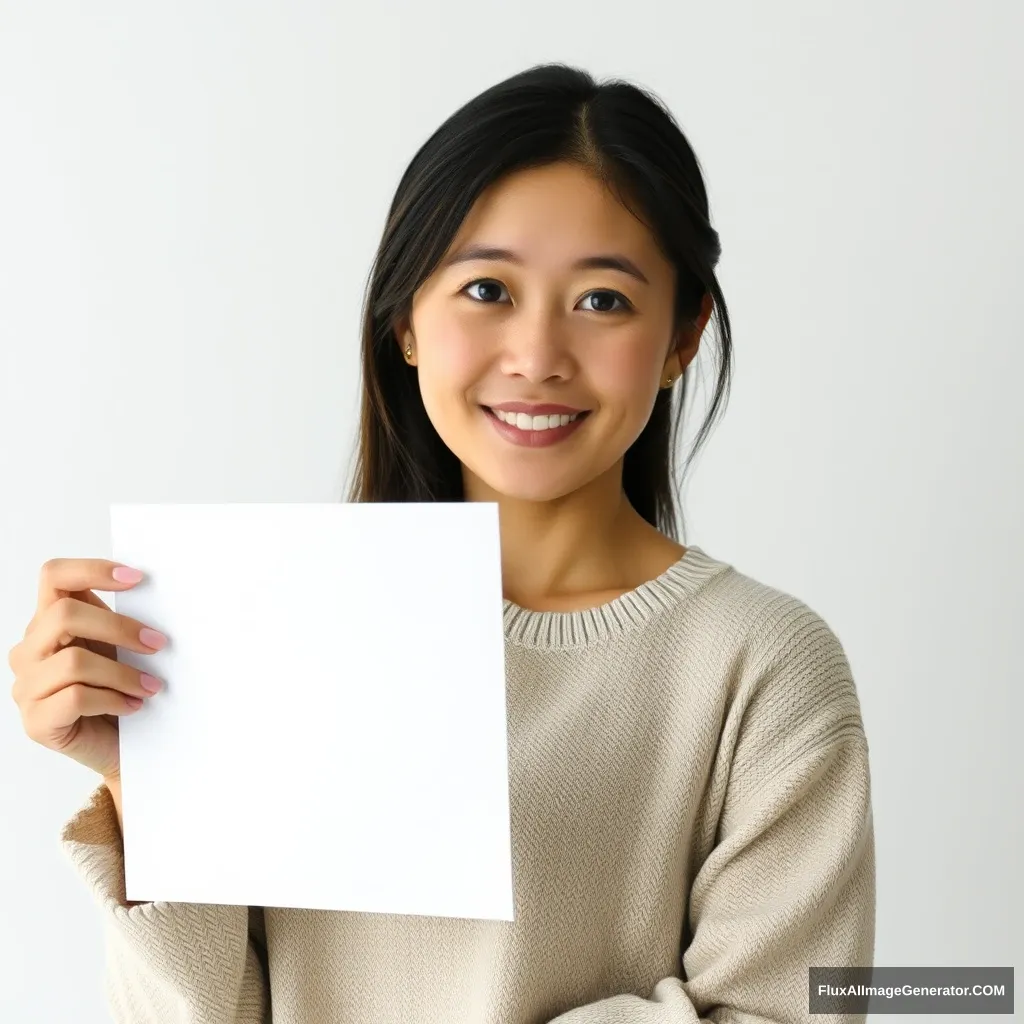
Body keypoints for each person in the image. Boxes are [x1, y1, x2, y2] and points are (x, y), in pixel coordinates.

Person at [9, 62, 875, 1023]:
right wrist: (148, 781)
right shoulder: (267, 627)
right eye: (487, 288)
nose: (537, 356)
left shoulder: (763, 669)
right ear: (407, 321)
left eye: (603, 300)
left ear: (683, 335)